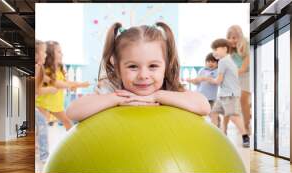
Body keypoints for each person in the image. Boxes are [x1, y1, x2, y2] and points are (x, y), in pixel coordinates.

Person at [67, 22, 210, 122]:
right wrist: (116, 99)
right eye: (133, 67)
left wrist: (157, 96)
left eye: (153, 66)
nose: (143, 75)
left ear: (166, 66)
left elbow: (204, 106)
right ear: (117, 66)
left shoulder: (169, 88)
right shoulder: (113, 89)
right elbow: (72, 111)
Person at [201, 38, 250, 148]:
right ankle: (215, 135)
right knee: (213, 112)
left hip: (229, 94)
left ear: (224, 49)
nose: (214, 53)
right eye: (213, 50)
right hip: (224, 94)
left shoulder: (223, 62)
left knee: (233, 116)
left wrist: (207, 79)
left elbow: (218, 80)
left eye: (216, 50)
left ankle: (245, 137)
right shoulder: (228, 60)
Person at [36, 41, 89, 130]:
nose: (62, 54)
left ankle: (72, 141)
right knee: (42, 126)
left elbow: (66, 82)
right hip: (43, 104)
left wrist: (74, 85)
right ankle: (40, 142)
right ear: (51, 55)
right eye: (59, 52)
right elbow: (58, 84)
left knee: (67, 121)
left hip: (55, 105)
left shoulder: (60, 69)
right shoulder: (46, 71)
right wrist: (80, 84)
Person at [223, 25, 251, 134]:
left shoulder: (246, 46)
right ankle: (237, 125)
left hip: (247, 74)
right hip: (237, 75)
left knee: (244, 100)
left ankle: (246, 125)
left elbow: (243, 68)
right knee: (234, 101)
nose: (231, 40)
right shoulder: (229, 49)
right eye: (229, 38)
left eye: (234, 37)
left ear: (240, 37)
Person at [35, 40, 57, 161]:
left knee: (41, 124)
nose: (45, 55)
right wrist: (50, 89)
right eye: (43, 52)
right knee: (42, 123)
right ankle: (44, 156)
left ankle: (42, 153)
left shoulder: (40, 68)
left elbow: (47, 79)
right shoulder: (36, 68)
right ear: (36, 54)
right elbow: (37, 91)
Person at [187, 53, 220, 126]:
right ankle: (197, 125)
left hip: (210, 98)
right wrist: (191, 80)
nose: (210, 63)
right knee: (197, 111)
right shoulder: (202, 70)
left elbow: (216, 81)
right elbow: (197, 82)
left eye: (213, 62)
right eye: (208, 61)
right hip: (200, 96)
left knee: (212, 113)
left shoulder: (217, 71)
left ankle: (217, 124)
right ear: (205, 62)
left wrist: (205, 78)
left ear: (217, 63)